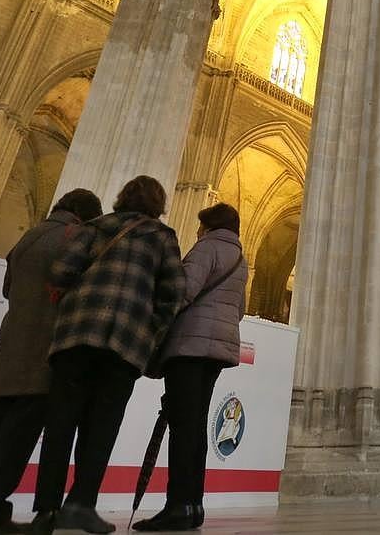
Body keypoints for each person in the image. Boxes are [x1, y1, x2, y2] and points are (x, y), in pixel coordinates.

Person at [0, 189, 103, 534]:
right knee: (16, 437)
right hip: (44, 348)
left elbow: (7, 287)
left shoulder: (31, 234)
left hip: (9, 346)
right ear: (87, 217)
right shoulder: (79, 236)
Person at [31, 176, 186, 535]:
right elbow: (174, 293)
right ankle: (82, 504)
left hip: (76, 337)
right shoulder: (162, 237)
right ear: (158, 205)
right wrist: (150, 329)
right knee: (102, 426)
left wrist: (76, 301)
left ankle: (46, 510)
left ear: (122, 198)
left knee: (60, 424)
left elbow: (61, 271)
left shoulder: (95, 226)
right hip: (124, 344)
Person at [134, 203, 249, 531]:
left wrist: (156, 317)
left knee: (183, 425)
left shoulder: (207, 247)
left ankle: (178, 504)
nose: (197, 232)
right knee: (195, 424)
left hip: (189, 345)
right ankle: (194, 504)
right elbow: (239, 308)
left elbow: (180, 292)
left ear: (210, 226)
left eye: (200, 226)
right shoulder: (240, 259)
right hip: (217, 350)